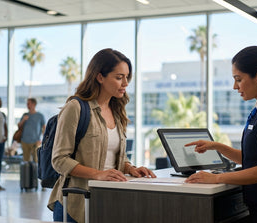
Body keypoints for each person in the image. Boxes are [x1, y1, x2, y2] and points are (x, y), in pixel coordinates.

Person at [185, 46, 257, 223]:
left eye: (238, 79)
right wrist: (216, 146)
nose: (235, 86)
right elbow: (252, 159)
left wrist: (216, 178)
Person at [48, 48, 156, 223]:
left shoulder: (117, 110)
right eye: (119, 77)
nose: (125, 83)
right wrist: (97, 174)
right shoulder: (76, 108)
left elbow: (113, 156)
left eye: (127, 77)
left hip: (108, 201)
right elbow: (59, 160)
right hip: (76, 205)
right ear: (100, 77)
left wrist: (129, 168)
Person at [18, 98, 45, 162]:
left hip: (35, 142)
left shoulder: (40, 116)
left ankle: (35, 172)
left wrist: (42, 140)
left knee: (36, 161)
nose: (27, 105)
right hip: (25, 141)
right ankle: (27, 172)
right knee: (26, 161)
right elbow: (19, 126)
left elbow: (44, 128)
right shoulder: (25, 115)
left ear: (34, 104)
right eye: (27, 104)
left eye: (28, 104)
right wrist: (23, 120)